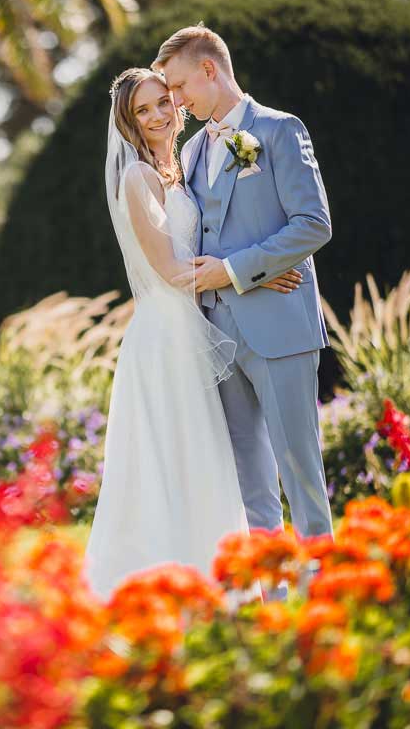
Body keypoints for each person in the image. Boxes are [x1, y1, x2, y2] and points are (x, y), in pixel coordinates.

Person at [83, 67, 302, 600]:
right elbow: (168, 269)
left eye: (164, 101)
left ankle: (208, 573)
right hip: (166, 336)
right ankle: (157, 577)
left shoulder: (184, 167)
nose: (159, 114)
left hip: (194, 327)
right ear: (128, 122)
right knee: (171, 453)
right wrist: (255, 271)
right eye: (144, 110)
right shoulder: (138, 178)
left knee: (205, 451)